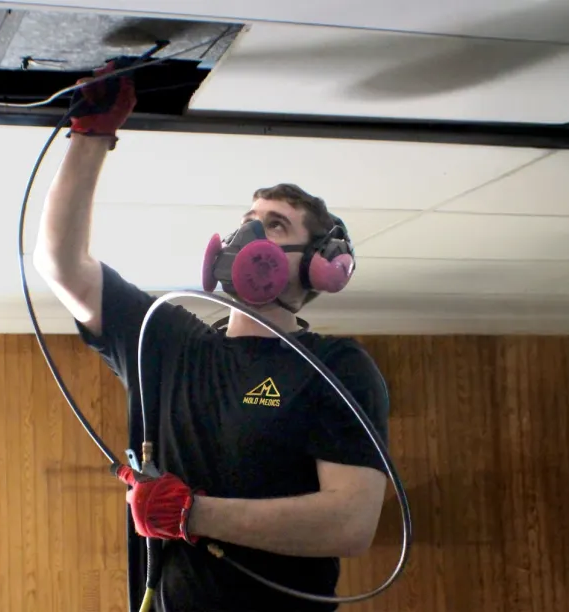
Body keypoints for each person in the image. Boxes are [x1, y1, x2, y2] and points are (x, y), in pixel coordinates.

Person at [33, 60, 391, 612]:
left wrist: (193, 513)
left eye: (274, 225)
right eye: (248, 217)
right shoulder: (169, 340)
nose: (246, 232)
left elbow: (350, 522)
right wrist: (91, 135)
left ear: (320, 266)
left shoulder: (335, 367)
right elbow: (60, 264)